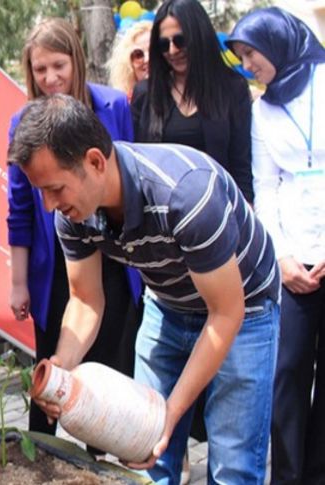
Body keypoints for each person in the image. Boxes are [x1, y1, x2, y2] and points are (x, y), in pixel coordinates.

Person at [10, 94, 280, 484]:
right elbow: (86, 300)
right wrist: (62, 366)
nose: (49, 205)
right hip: (168, 304)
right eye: (41, 193)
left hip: (244, 308)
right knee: (146, 451)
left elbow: (226, 314)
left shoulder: (186, 195)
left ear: (95, 162)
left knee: (232, 465)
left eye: (55, 189)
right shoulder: (74, 215)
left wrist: (172, 412)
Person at [7, 17, 141, 438]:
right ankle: (45, 457)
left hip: (115, 264)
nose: (50, 78)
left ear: (77, 62)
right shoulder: (22, 124)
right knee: (56, 368)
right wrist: (18, 282)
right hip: (54, 274)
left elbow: (130, 181)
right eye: (40, 69)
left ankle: (108, 456)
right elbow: (20, 210)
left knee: (114, 367)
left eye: (58, 66)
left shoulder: (115, 106)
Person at [228, 9, 325, 484]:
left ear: (277, 39)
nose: (248, 65)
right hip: (291, 253)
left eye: (252, 53)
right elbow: (263, 187)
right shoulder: (261, 109)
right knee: (287, 373)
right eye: (241, 57)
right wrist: (282, 255)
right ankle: (286, 476)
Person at [131, 0, 254, 204]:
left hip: (220, 209)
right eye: (163, 44)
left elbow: (242, 162)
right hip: (162, 217)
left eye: (180, 40)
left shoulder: (232, 88)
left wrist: (245, 212)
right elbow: (136, 165)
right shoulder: (145, 93)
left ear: (199, 35)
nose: (172, 50)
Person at [107, 20, 153, 102]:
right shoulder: (123, 106)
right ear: (129, 63)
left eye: (153, 51)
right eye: (138, 55)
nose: (147, 59)